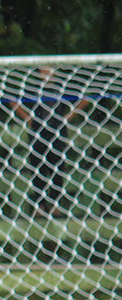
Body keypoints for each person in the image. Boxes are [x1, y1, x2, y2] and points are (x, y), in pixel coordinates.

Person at [13, 66, 91, 217]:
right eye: (43, 72)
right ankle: (40, 205)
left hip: (57, 133)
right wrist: (30, 119)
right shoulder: (33, 89)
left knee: (57, 168)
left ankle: (55, 204)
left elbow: (85, 99)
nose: (46, 75)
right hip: (38, 133)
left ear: (55, 73)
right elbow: (13, 101)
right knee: (38, 168)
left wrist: (66, 118)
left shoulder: (63, 88)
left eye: (49, 72)